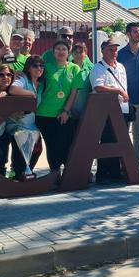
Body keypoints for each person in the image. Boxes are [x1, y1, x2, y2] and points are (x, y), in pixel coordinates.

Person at [37, 41, 82, 176]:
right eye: (58, 49)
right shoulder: (46, 67)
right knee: (51, 146)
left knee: (65, 144)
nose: (61, 52)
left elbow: (74, 92)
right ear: (53, 52)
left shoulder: (74, 69)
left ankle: (68, 174)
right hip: (44, 113)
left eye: (64, 49)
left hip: (63, 114)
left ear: (68, 52)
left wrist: (66, 111)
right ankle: (54, 174)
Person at [91, 39, 130, 181]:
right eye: (110, 50)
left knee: (120, 141)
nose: (114, 52)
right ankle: (103, 173)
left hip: (122, 109)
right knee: (107, 141)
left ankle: (115, 172)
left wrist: (123, 93)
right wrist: (118, 91)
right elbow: (98, 87)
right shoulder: (98, 68)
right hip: (106, 111)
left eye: (115, 50)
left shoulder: (121, 66)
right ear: (102, 51)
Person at [117, 22, 139, 168]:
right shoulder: (120, 55)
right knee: (122, 136)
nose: (138, 34)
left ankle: (135, 166)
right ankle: (124, 166)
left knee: (138, 137)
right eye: (135, 32)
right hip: (123, 102)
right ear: (128, 34)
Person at [7, 55, 46, 178]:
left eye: (41, 66)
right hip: (20, 123)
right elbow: (13, 89)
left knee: (37, 150)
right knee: (19, 153)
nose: (38, 68)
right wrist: (30, 94)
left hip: (33, 123)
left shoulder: (41, 83)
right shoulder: (23, 79)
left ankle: (27, 173)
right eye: (35, 65)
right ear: (28, 68)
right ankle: (18, 176)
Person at [70, 42, 93, 117]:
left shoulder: (90, 71)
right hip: (68, 112)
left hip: (85, 113)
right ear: (72, 54)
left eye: (81, 52)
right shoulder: (67, 69)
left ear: (86, 54)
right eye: (76, 52)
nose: (78, 55)